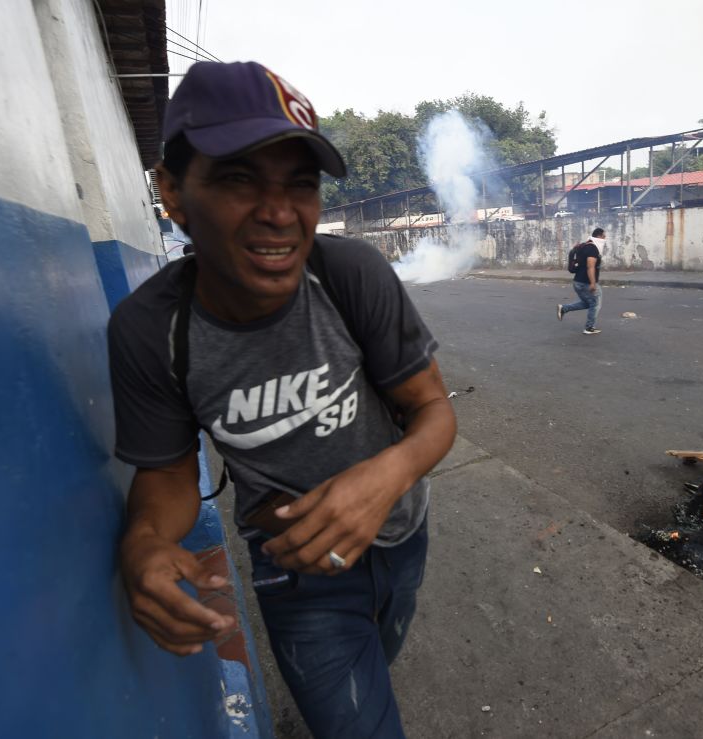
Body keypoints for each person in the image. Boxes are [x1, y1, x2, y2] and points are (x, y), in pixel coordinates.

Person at [107, 61, 456, 738]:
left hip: (404, 533)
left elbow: (434, 411)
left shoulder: (351, 273)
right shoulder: (151, 330)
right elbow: (169, 477)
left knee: (380, 656)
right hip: (299, 578)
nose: (279, 212)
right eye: (239, 178)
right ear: (172, 191)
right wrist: (144, 545)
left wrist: (382, 478)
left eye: (301, 184)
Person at [556, 227, 606, 334]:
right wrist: (593, 283)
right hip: (586, 283)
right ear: (599, 236)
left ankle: (564, 309)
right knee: (596, 304)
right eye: (604, 236)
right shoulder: (592, 248)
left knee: (588, 303)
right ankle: (589, 327)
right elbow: (590, 266)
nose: (605, 238)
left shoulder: (584, 245)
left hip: (578, 281)